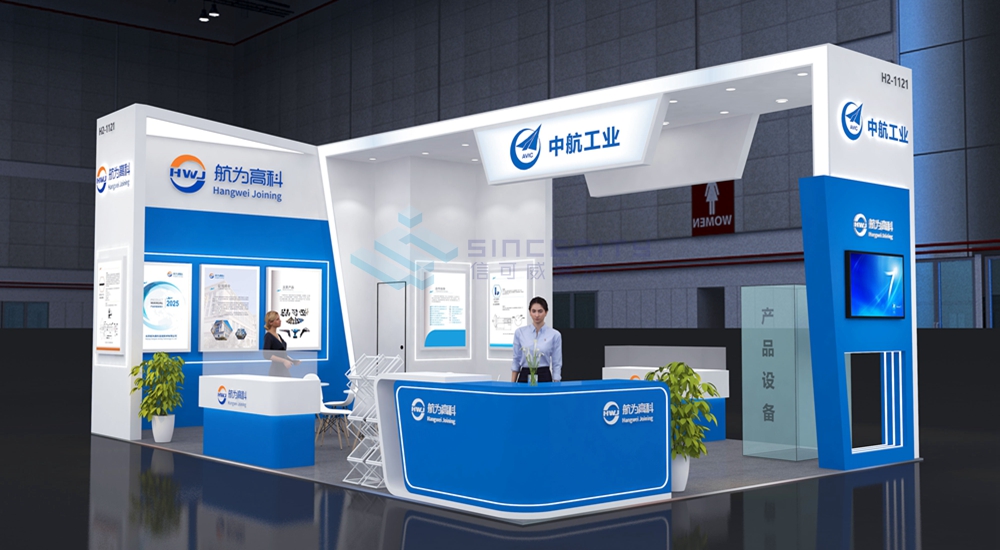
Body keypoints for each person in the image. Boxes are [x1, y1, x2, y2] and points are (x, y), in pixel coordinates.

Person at [511, 297, 563, 383]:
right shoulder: (520, 332)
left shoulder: (554, 335)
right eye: (534, 311)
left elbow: (556, 362)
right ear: (529, 312)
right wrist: (512, 384)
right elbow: (516, 359)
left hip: (544, 375)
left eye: (540, 311)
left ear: (546, 312)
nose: (537, 315)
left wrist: (556, 382)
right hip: (525, 374)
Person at [263, 310, 299, 377]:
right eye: (277, 319)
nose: (280, 321)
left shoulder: (278, 335)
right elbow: (266, 355)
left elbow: (281, 354)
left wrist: (292, 361)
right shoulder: (268, 336)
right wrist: (284, 361)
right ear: (271, 322)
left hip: (283, 369)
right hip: (276, 371)